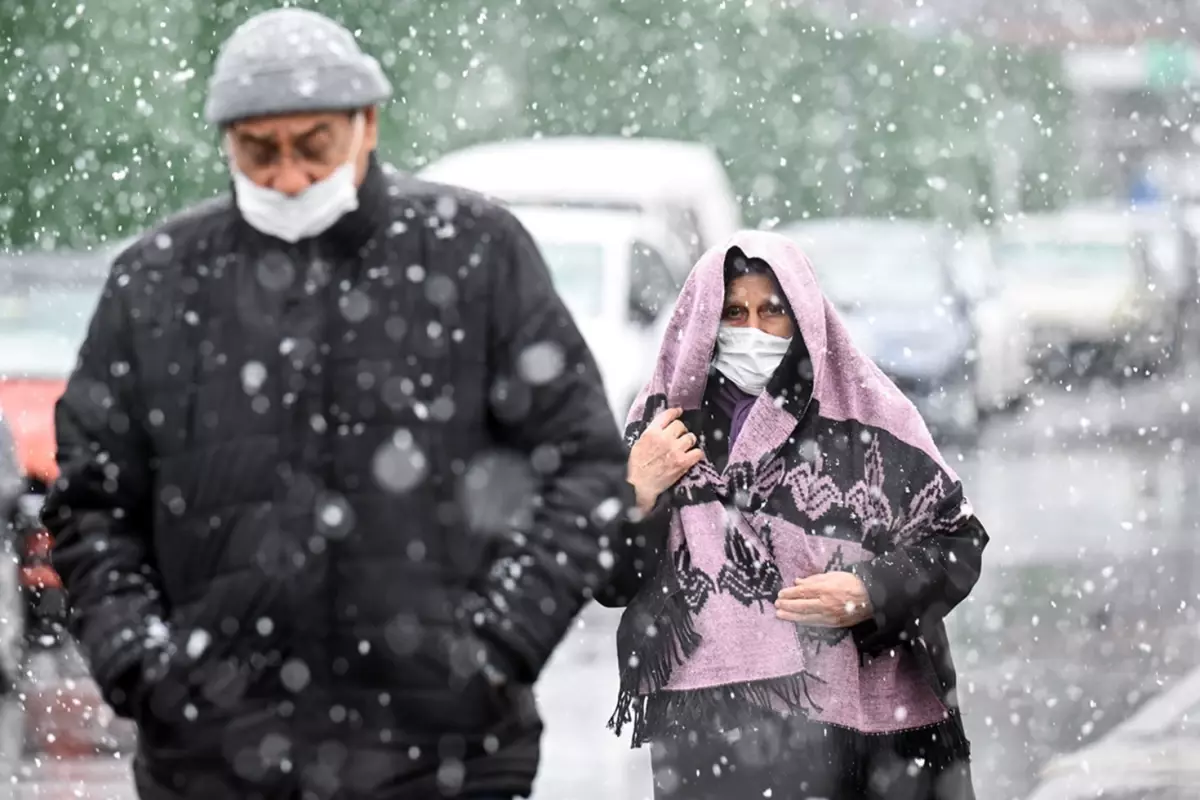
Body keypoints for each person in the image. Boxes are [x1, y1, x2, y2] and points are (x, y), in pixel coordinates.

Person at [44, 8, 629, 800]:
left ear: (367, 125)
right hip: (213, 763)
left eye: (312, 145)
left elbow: (583, 465)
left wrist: (496, 646)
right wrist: (143, 665)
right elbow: (91, 504)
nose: (287, 176)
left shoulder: (475, 253)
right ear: (226, 143)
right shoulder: (156, 282)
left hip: (444, 756)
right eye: (259, 151)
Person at [597, 231, 988, 800]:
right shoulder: (663, 427)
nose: (751, 330)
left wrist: (870, 594)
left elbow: (956, 541)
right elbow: (611, 581)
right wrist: (635, 494)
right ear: (705, 318)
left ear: (803, 317)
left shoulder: (870, 419)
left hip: (862, 741)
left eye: (771, 311)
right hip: (712, 747)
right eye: (733, 312)